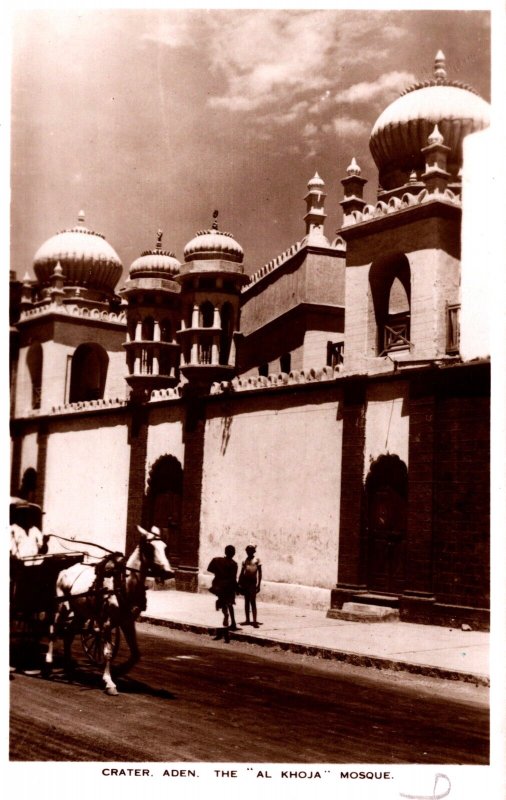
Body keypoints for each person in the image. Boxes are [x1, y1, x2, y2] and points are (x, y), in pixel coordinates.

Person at [207, 545, 239, 642]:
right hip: (228, 587)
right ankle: (232, 622)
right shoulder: (233, 564)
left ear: (225, 552)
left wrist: (218, 573)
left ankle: (226, 615)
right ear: (233, 554)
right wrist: (237, 588)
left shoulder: (217, 560)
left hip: (218, 585)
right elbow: (233, 578)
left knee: (223, 602)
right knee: (229, 604)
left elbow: (210, 569)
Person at [238, 544, 262, 627]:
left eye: (250, 551)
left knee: (253, 601)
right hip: (245, 583)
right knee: (246, 601)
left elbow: (260, 573)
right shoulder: (245, 561)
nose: (249, 553)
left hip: (252, 583)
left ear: (253, 551)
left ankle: (254, 620)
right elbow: (242, 572)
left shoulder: (257, 560)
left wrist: (258, 585)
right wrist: (239, 583)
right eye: (247, 551)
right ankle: (247, 619)